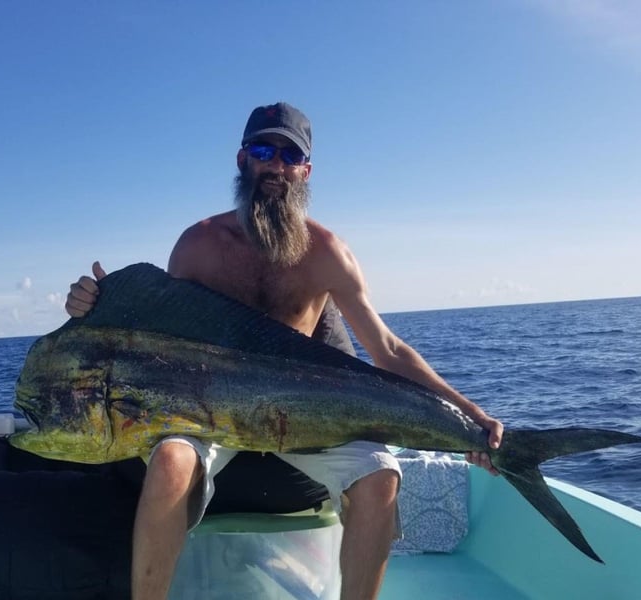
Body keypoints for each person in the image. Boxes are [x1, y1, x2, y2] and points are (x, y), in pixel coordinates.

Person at [65, 102, 503, 600]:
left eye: (289, 155)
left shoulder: (326, 252)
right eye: (263, 150)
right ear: (241, 160)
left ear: (306, 170)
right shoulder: (198, 246)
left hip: (307, 416)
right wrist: (94, 304)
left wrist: (471, 416)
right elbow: (156, 333)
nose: (275, 164)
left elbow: (386, 349)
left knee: (381, 476)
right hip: (210, 411)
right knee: (168, 462)